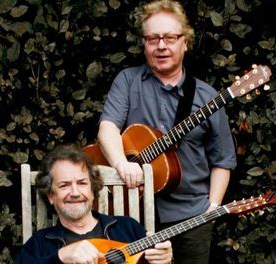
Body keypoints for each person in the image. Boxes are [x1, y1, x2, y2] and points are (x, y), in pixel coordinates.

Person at [96, 0, 237, 263]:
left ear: (186, 42)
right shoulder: (127, 81)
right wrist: (121, 164)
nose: (161, 46)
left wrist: (212, 209)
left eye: (170, 38)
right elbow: (108, 127)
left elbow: (222, 159)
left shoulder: (208, 98)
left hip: (191, 217)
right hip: (132, 214)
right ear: (144, 44)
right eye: (153, 38)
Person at [14, 145, 172, 264]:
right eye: (64, 185)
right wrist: (61, 256)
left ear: (92, 189)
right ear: (50, 196)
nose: (75, 192)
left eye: (82, 183)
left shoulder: (127, 228)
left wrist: (165, 259)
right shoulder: (40, 243)